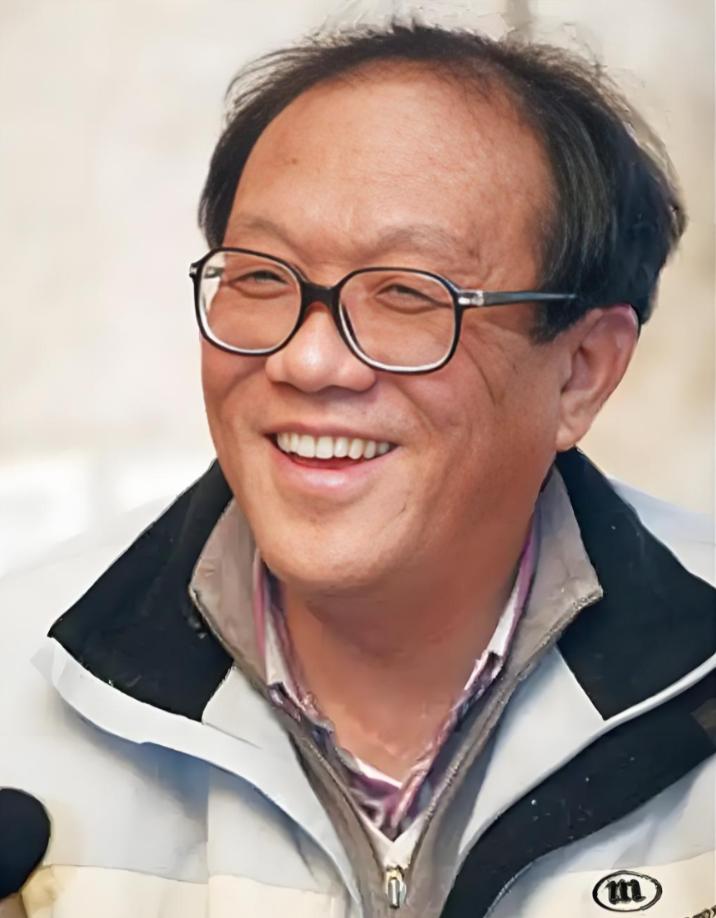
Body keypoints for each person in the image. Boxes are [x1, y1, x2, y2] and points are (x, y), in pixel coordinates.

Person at [2, 20, 714, 918]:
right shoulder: (19, 689)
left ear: (580, 372)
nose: (306, 362)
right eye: (261, 278)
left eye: (409, 295)